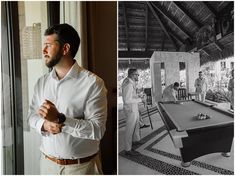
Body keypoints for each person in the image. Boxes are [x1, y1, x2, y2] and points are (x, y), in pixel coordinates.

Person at [28, 23, 107, 175]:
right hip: (46, 166)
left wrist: (60, 119)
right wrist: (44, 125)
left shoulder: (93, 83)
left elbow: (97, 130)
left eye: (48, 45)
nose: (43, 50)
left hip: (81, 169)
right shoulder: (41, 82)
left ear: (65, 49)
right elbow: (31, 116)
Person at [122, 68, 144, 156]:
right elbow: (127, 100)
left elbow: (132, 95)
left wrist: (138, 95)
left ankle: (135, 140)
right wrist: (140, 99)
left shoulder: (130, 82)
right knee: (130, 129)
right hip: (131, 109)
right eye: (137, 74)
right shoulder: (128, 84)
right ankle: (128, 149)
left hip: (134, 108)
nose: (138, 76)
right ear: (132, 75)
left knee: (136, 125)